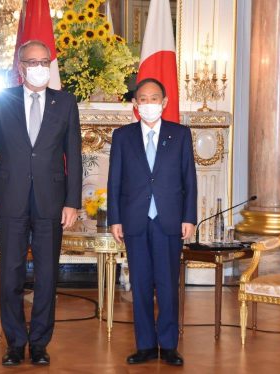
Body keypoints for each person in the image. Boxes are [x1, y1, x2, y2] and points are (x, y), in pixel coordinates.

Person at [0, 40, 82, 366]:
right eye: (31, 62)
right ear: (20, 67)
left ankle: (39, 343)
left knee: (48, 276)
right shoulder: (1, 101)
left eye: (44, 61)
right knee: (10, 274)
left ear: (50, 64)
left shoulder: (65, 102)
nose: (38, 67)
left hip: (52, 202)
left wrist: (72, 202)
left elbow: (74, 156)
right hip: (9, 200)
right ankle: (14, 343)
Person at [107, 78, 197, 366]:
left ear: (165, 102)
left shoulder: (180, 135)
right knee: (141, 284)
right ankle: (145, 345)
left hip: (169, 221)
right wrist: (115, 219)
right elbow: (114, 182)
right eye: (142, 99)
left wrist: (189, 217)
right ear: (135, 104)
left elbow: (189, 181)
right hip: (135, 221)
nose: (148, 104)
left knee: (168, 285)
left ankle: (169, 345)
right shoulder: (122, 137)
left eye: (154, 98)